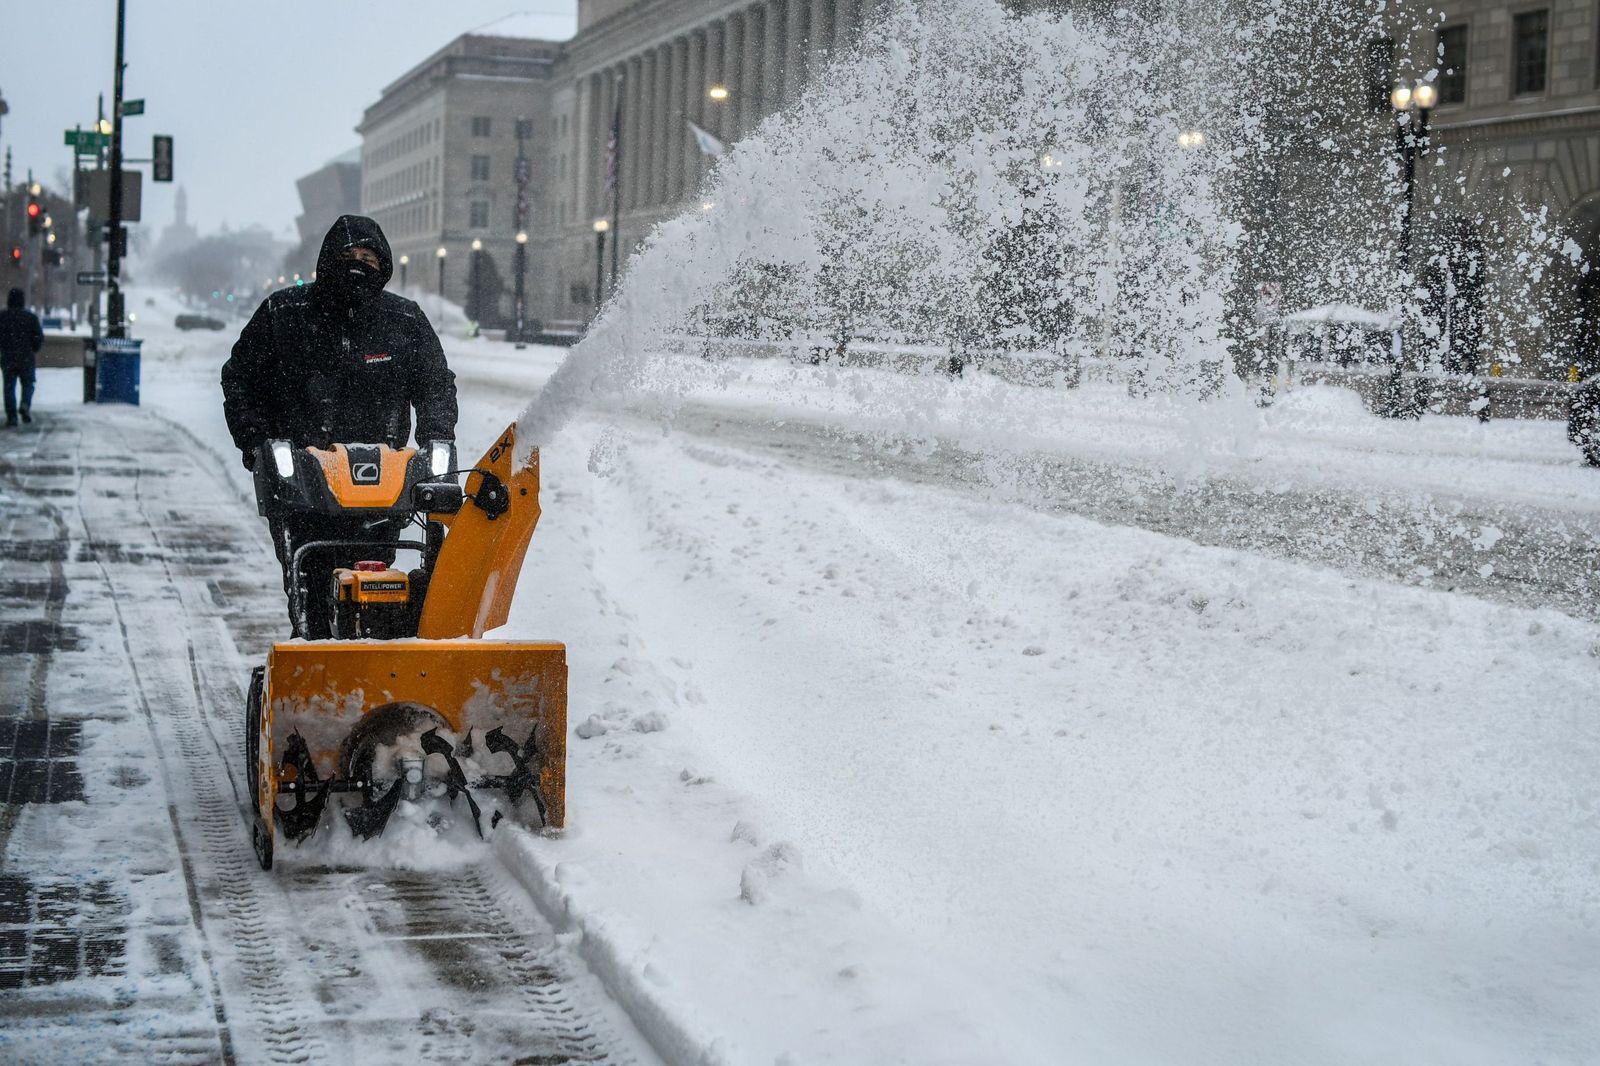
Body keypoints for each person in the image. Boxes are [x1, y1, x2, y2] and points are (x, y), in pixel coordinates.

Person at [221, 215, 457, 636]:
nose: (358, 264)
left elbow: (436, 384)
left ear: (383, 264)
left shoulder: (404, 320)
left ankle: (375, 652)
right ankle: (314, 643)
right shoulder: (284, 314)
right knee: (311, 582)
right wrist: (257, 443)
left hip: (382, 482)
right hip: (303, 482)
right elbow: (240, 378)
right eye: (348, 255)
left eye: (368, 257)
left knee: (378, 583)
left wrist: (436, 437)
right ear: (328, 260)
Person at [0, 288, 43, 427]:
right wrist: (33, 348)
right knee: (28, 384)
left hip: (8, 357)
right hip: (26, 357)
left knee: (9, 387)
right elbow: (38, 337)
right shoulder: (30, 318)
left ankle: (11, 416)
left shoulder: (2, 317)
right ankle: (25, 404)